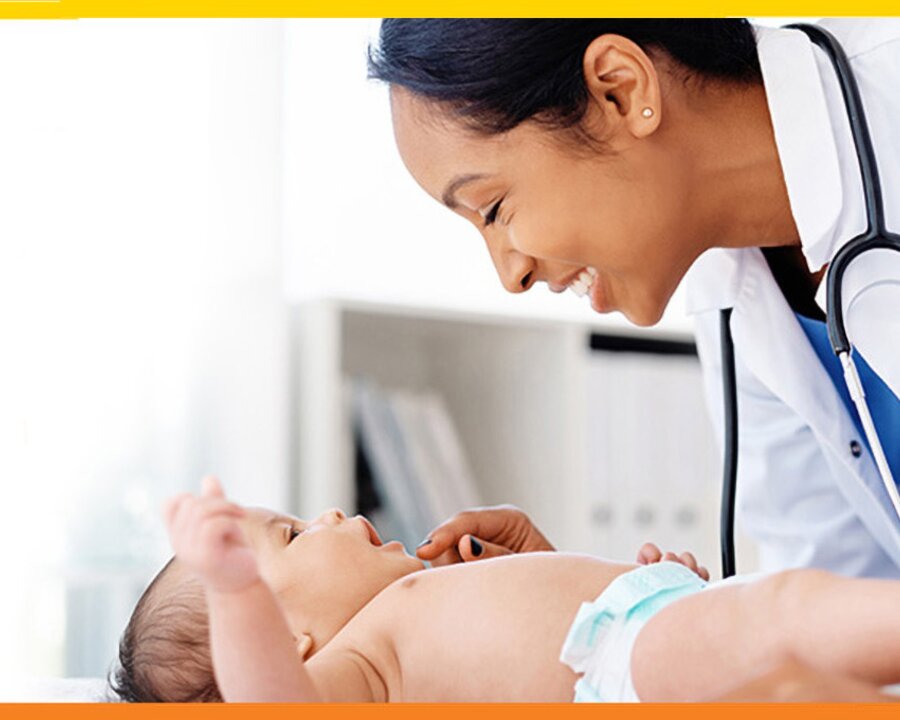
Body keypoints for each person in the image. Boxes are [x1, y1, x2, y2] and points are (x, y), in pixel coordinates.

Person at [368, 19, 900, 578]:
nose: (511, 274)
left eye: (494, 209)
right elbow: (843, 616)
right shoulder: (733, 293)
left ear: (620, 90)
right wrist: (591, 607)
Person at [111, 477, 900, 703]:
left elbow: (541, 645)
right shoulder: (354, 670)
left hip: (641, 647)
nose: (324, 515)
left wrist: (657, 592)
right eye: (289, 535)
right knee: (786, 612)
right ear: (288, 645)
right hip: (627, 666)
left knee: (812, 663)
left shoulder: (416, 614)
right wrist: (236, 592)